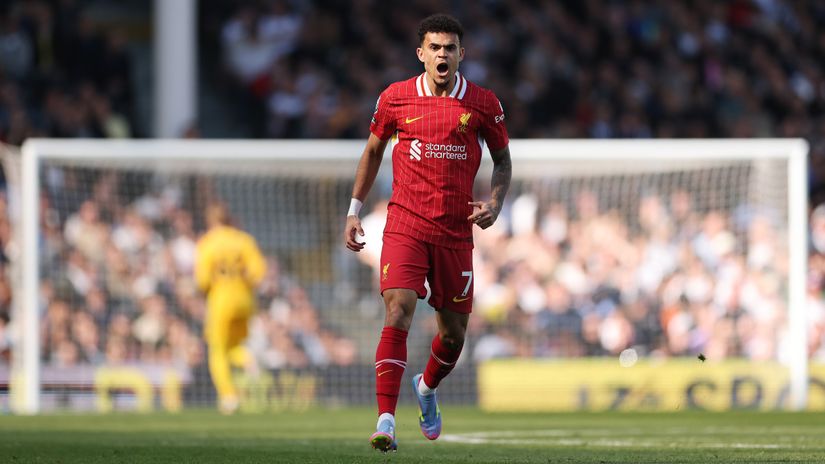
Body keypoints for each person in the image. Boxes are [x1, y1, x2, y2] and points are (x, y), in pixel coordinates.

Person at [344, 14, 511, 452]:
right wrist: (354, 210)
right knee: (398, 309)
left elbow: (503, 161)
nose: (442, 55)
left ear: (461, 54)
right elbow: (373, 152)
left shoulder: (482, 103)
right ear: (420, 53)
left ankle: (426, 386)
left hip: (455, 232)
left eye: (450, 48)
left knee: (453, 334)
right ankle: (385, 420)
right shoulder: (396, 98)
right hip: (405, 224)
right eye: (434, 47)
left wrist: (495, 201)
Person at [195, 202, 266, 414]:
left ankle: (228, 396)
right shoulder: (243, 240)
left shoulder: (208, 242)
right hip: (244, 301)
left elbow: (202, 279)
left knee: (217, 350)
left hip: (221, 301)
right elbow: (258, 272)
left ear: (210, 220)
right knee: (233, 345)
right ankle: (249, 359)